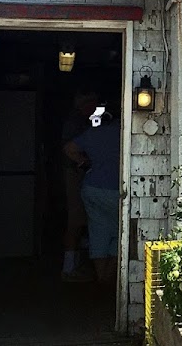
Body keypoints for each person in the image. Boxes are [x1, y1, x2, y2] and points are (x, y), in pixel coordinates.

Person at [63, 103, 122, 284]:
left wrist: (83, 163)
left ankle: (100, 275)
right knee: (120, 231)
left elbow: (68, 148)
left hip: (91, 189)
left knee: (98, 231)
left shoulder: (92, 133)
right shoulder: (125, 133)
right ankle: (107, 277)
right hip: (115, 190)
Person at [60, 90, 97, 281]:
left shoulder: (79, 121)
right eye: (92, 103)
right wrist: (84, 162)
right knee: (75, 220)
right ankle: (68, 269)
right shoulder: (76, 123)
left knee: (80, 220)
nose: (94, 108)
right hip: (74, 174)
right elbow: (69, 149)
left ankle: (74, 265)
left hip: (78, 175)